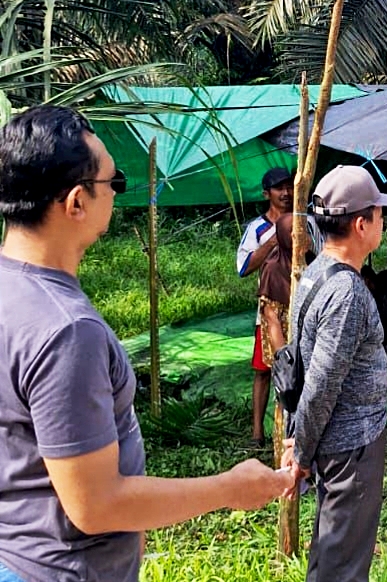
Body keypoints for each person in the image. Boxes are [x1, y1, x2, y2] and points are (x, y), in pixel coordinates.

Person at [0, 105, 293, 582]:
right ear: (76, 202)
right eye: (112, 184)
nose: (117, 195)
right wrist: (229, 488)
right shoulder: (66, 331)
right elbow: (96, 505)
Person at [280, 165, 387, 582]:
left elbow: (299, 366)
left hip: (334, 440)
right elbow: (319, 383)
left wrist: (299, 436)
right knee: (343, 564)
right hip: (350, 446)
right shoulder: (346, 292)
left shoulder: (314, 275)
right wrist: (300, 454)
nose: (383, 223)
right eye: (380, 215)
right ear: (361, 223)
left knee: (333, 549)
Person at [236, 167, 292, 448]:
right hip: (270, 308)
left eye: (288, 186)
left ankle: (292, 431)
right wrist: (273, 240)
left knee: (297, 368)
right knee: (263, 369)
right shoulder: (257, 229)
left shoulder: (301, 222)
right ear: (266, 193)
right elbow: (244, 267)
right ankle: (257, 431)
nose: (285, 193)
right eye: (278, 188)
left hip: (297, 307)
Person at [258, 213, 294, 367]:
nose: (302, 236)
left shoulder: (309, 258)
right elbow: (271, 316)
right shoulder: (273, 267)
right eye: (294, 231)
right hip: (286, 340)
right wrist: (285, 360)